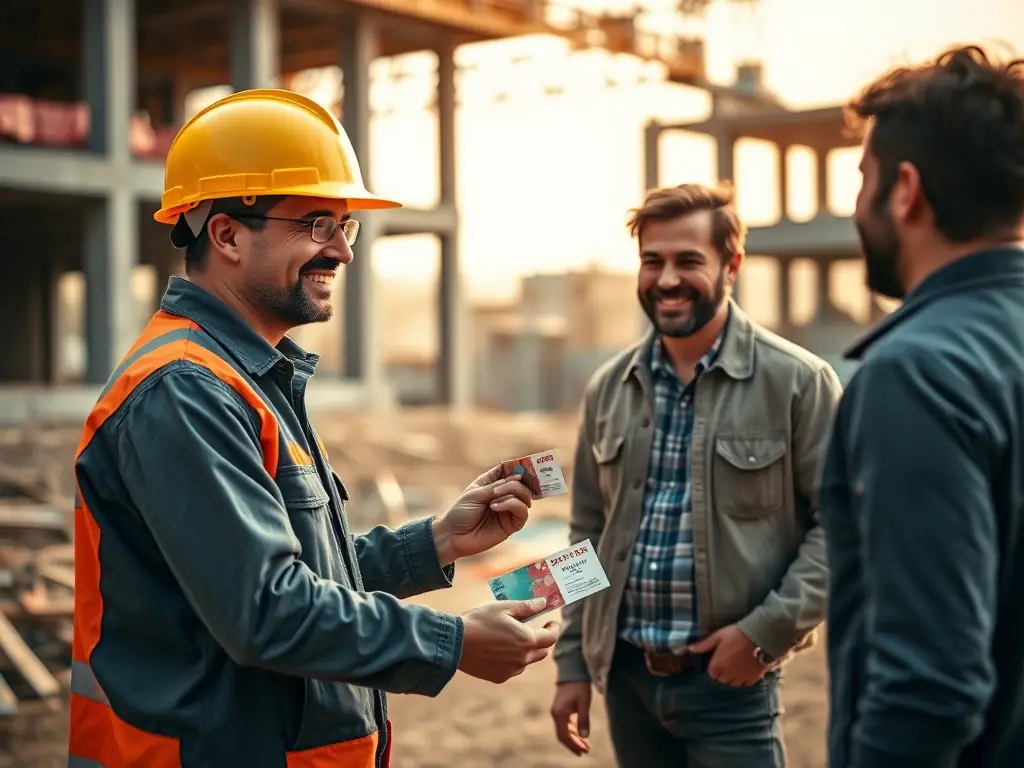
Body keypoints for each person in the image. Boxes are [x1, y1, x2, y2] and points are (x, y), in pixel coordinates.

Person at [67, 89, 558, 768]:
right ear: (228, 234)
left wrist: (437, 540)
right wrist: (453, 643)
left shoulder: (247, 380)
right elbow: (268, 610)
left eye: (346, 226)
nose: (342, 253)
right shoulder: (185, 391)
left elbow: (290, 573)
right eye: (317, 223)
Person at [549, 182, 842, 767]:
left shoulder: (799, 383)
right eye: (652, 261)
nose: (666, 279)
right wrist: (574, 661)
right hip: (627, 682)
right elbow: (586, 535)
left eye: (689, 261)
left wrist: (764, 634)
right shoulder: (609, 388)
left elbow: (842, 529)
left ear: (731, 265)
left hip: (731, 686)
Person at [820, 45, 1024, 768]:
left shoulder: (915, 375)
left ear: (905, 190)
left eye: (862, 180)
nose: (853, 207)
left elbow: (932, 687)